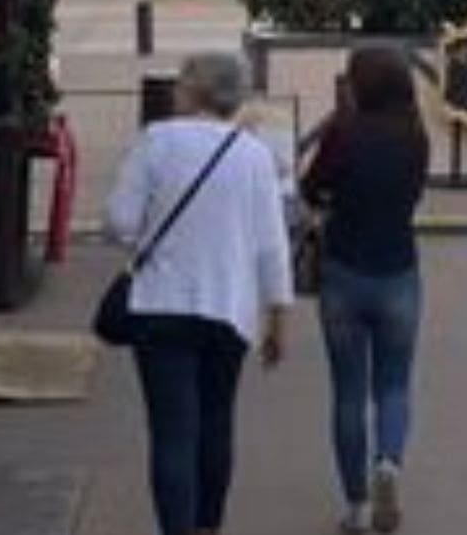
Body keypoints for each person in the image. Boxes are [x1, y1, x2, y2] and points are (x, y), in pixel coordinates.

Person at [105, 53, 292, 535]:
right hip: (229, 308)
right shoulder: (255, 155)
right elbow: (273, 246)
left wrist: (150, 233)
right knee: (216, 421)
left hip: (161, 304)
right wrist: (278, 320)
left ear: (194, 90)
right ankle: (209, 525)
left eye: (182, 80)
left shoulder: (157, 141)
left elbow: (119, 221)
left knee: (171, 431)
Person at [302, 48, 430, 535]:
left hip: (344, 271)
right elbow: (413, 195)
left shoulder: (342, 134)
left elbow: (312, 188)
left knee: (348, 393)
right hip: (398, 270)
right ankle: (389, 463)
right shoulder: (415, 138)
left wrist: (331, 195)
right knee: (394, 384)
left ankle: (356, 505)